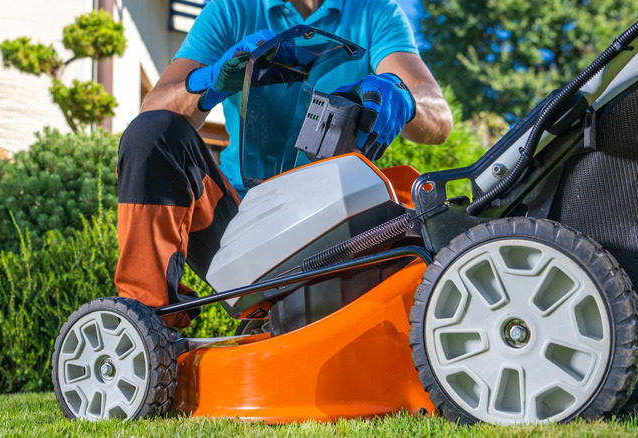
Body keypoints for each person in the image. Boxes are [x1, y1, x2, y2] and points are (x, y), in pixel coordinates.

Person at [115, 0, 454, 328]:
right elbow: (154, 108)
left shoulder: (373, 11)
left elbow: (439, 116)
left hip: (335, 224)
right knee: (153, 132)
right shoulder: (232, 9)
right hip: (236, 230)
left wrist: (404, 97)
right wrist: (211, 80)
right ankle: (146, 321)